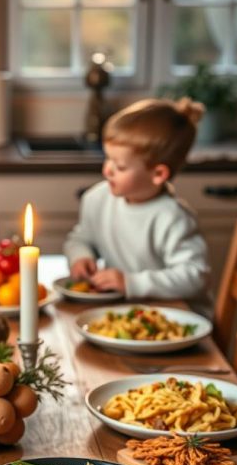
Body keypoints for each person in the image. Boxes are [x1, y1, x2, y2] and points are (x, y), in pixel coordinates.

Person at [63, 97, 213, 315]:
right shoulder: (97, 199)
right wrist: (81, 256)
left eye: (120, 166)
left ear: (158, 174)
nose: (108, 170)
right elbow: (81, 237)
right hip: (126, 312)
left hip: (178, 320)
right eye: (108, 159)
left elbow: (195, 276)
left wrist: (130, 282)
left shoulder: (173, 217)